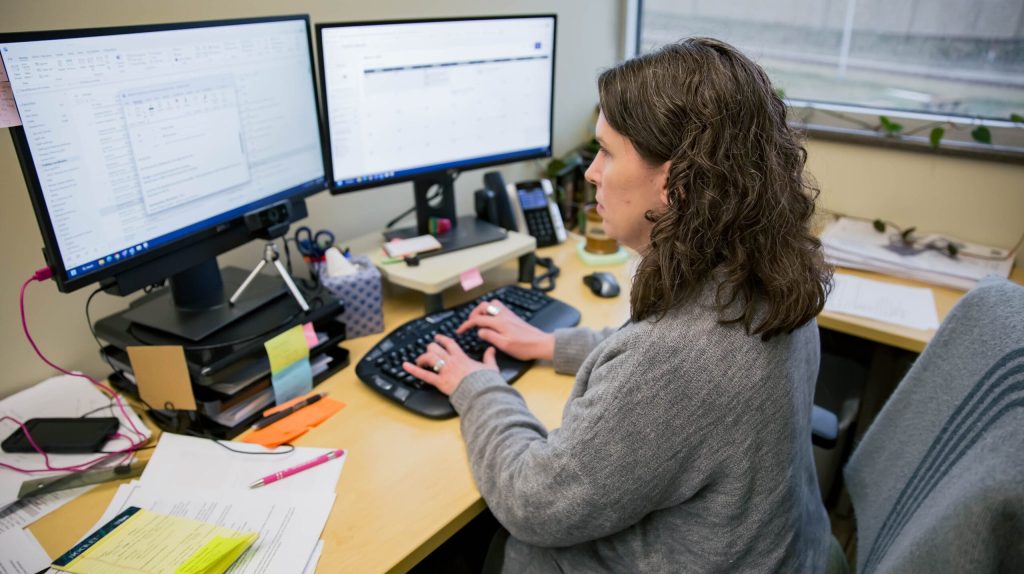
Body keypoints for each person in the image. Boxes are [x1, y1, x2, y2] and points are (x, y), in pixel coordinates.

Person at [403, 37, 833, 572]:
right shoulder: (766, 270)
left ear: (675, 183)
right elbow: (664, 364)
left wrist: (476, 386)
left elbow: (534, 502)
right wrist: (548, 344)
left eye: (607, 151)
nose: (590, 173)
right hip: (784, 548)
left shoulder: (677, 359)